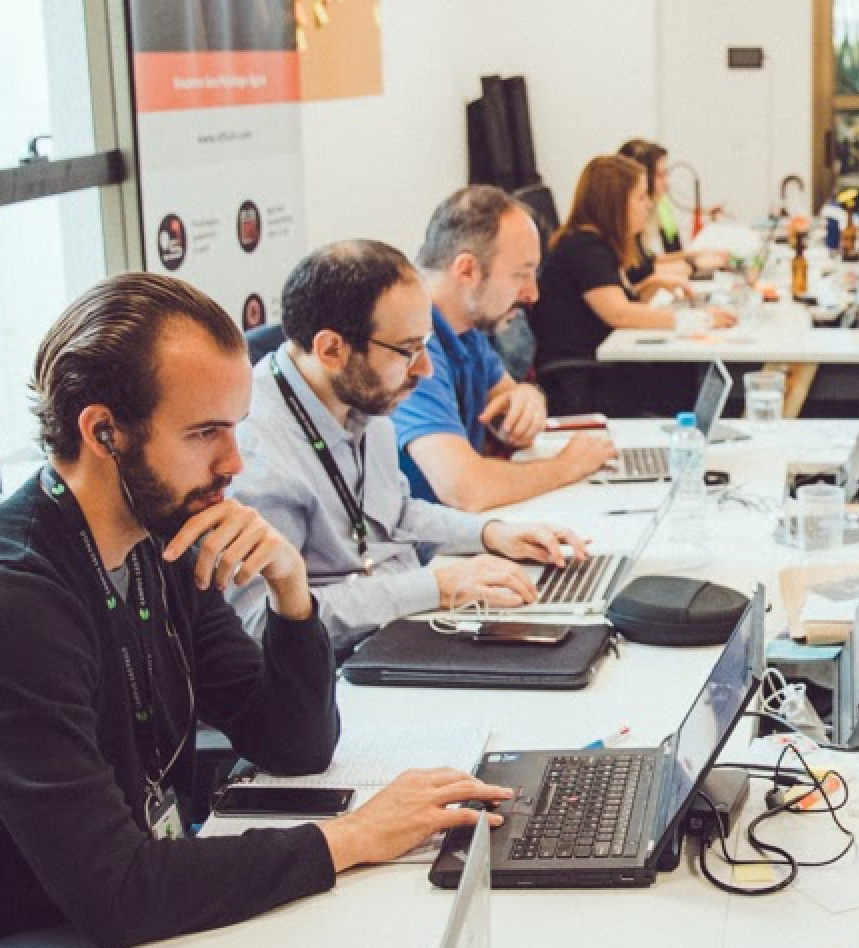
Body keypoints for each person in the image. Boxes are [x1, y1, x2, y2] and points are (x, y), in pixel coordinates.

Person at [0, 273, 511, 945]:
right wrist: (354, 837)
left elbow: (292, 744)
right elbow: (116, 891)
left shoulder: (168, 535)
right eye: (206, 432)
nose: (234, 463)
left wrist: (290, 594)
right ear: (105, 433)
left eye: (236, 428)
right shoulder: (22, 601)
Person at [230, 239, 587, 654]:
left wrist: (491, 534)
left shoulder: (362, 398)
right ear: (331, 349)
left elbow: (396, 512)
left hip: (399, 628)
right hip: (340, 673)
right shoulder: (255, 453)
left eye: (425, 345)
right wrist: (435, 587)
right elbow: (261, 627)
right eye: (407, 351)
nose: (425, 369)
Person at [396, 186, 617, 511]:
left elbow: (508, 394)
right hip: (423, 552)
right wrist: (568, 465)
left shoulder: (465, 328)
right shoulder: (410, 342)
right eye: (521, 275)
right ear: (467, 270)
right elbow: (466, 489)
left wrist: (528, 398)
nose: (532, 294)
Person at [526, 154, 734, 417]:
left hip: (600, 368)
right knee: (685, 375)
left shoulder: (599, 245)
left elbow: (615, 304)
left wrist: (648, 287)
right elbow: (619, 313)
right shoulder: (586, 249)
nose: (648, 206)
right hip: (583, 381)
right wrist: (698, 320)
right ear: (615, 203)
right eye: (640, 197)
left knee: (687, 371)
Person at [616, 138, 724, 287]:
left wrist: (693, 255)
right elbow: (640, 275)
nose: (667, 182)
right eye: (661, 175)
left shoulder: (657, 206)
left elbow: (648, 261)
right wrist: (693, 264)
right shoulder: (626, 218)